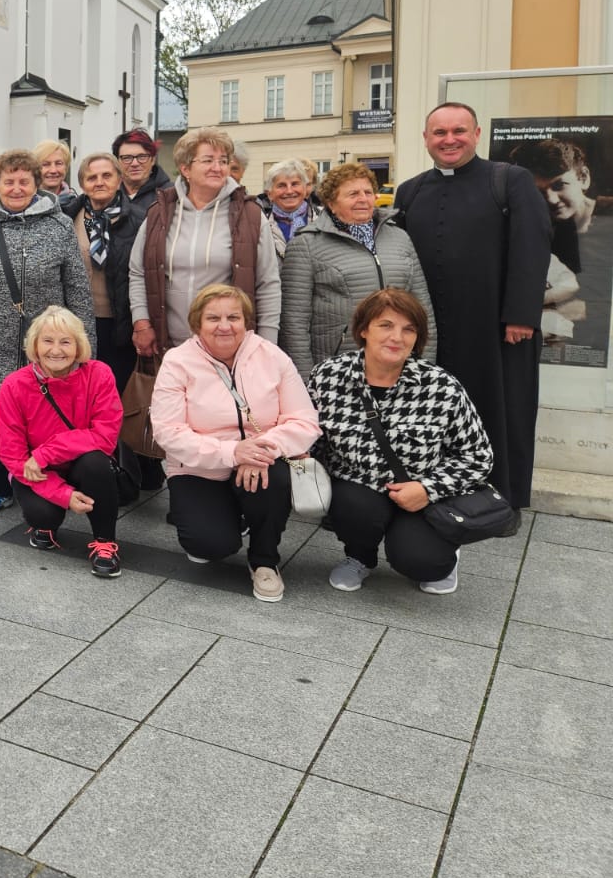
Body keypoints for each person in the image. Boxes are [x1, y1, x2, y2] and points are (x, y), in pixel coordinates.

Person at [394, 103, 551, 508]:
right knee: (434, 413)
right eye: (439, 133)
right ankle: (436, 488)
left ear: (477, 134)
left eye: (459, 131)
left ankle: (503, 498)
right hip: (434, 329)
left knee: (503, 409)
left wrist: (520, 314)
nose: (450, 140)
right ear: (426, 138)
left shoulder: (510, 180)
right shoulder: (410, 191)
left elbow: (532, 247)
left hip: (497, 326)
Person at [310, 289, 490, 596]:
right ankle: (359, 556)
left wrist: (428, 489)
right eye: (386, 325)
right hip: (357, 488)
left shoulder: (441, 386)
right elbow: (309, 438)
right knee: (352, 506)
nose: (397, 337)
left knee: (424, 563)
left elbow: (477, 456)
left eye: (409, 329)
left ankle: (444, 547)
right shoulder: (329, 376)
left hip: (421, 493)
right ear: (364, 330)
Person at [0, 148, 94, 517]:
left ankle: (43, 481)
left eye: (23, 180)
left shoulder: (58, 226)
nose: (16, 187)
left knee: (44, 413)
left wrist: (82, 341)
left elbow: (76, 285)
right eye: (8, 181)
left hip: (48, 346)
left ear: (35, 183)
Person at [149, 284, 320, 602]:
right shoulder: (177, 361)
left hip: (259, 463)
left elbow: (305, 420)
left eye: (233, 317)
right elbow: (168, 431)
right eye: (213, 318)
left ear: (247, 322)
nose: (224, 326)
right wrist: (232, 452)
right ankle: (229, 518)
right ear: (197, 323)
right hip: (199, 468)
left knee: (275, 478)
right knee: (209, 546)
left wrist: (260, 449)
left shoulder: (271, 356)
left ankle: (265, 560)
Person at [128, 126, 281, 360]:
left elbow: (267, 283)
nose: (217, 167)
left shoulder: (250, 215)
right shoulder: (159, 213)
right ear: (185, 168)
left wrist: (267, 346)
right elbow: (138, 271)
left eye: (223, 160)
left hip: (229, 349)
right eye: (208, 160)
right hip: (170, 347)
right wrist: (141, 322)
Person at [0, 305, 124, 576]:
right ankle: (44, 525)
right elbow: (12, 456)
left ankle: (104, 542)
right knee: (44, 514)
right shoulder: (14, 386)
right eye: (48, 341)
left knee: (96, 464)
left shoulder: (99, 374)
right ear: (34, 345)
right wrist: (63, 495)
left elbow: (105, 435)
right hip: (36, 471)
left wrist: (45, 453)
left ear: (78, 346)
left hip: (77, 462)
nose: (56, 350)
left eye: (66, 342)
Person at [279, 162, 436, 381]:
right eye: (353, 194)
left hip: (399, 364)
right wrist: (306, 382)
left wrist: (426, 367)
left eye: (368, 192)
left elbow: (423, 309)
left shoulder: (400, 238)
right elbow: (294, 323)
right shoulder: (306, 244)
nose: (363, 199)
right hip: (338, 371)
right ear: (332, 203)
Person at [511, 138, 612, 366]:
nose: (551, 199)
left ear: (583, 178)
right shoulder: (535, 229)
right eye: (538, 191)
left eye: (559, 185)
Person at [75, 151, 142, 391]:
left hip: (120, 323)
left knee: (114, 389)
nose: (99, 182)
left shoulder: (138, 220)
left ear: (119, 179)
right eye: (92, 177)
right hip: (79, 323)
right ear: (82, 183)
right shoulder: (69, 216)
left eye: (106, 175)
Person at [257, 158, 315, 245]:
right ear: (269, 194)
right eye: (281, 185)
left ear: (304, 189)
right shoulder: (258, 223)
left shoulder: (323, 219)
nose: (289, 191)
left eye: (295, 184)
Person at [114, 129, 170, 209]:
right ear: (117, 162)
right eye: (127, 158)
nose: (135, 164)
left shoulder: (171, 195)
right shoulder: (109, 195)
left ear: (153, 160)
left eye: (142, 157)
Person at [32, 139, 80, 217]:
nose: (53, 170)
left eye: (58, 163)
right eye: (46, 164)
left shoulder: (78, 205)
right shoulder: (24, 203)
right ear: (35, 168)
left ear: (66, 168)